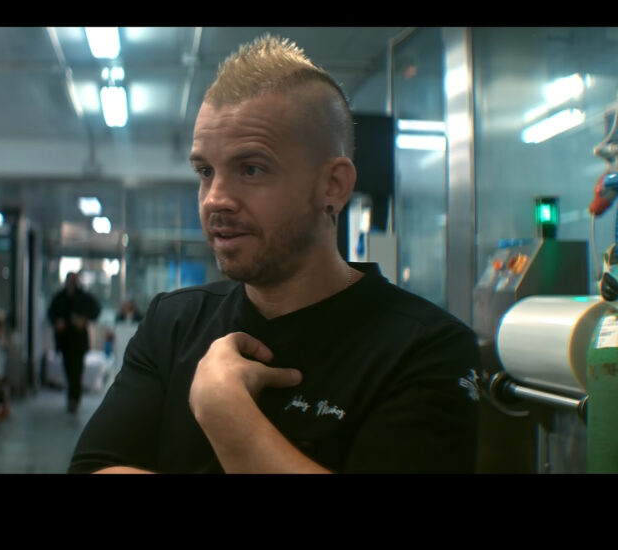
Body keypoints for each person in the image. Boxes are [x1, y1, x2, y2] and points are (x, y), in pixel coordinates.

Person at [70, 35, 481, 474]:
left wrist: (229, 418)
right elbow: (96, 467)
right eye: (206, 171)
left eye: (251, 169)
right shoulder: (173, 323)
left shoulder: (426, 349)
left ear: (333, 186)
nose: (215, 199)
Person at [47, 272, 101, 413]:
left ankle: (74, 398)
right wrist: (57, 322)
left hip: (78, 340)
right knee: (68, 369)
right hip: (65, 340)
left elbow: (96, 310)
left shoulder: (84, 297)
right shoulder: (60, 297)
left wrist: (84, 319)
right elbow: (51, 313)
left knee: (77, 370)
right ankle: (72, 396)